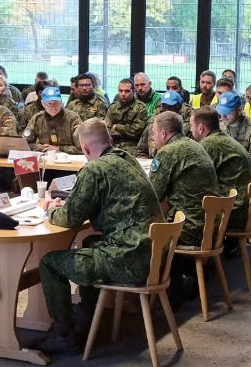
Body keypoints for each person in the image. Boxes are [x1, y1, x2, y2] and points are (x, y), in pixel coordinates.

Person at [36, 119, 163, 353]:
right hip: (153, 254)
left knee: (50, 263)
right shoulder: (127, 158)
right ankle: (87, 322)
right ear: (110, 141)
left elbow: (70, 218)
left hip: (129, 259)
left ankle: (65, 335)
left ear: (84, 149)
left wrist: (50, 208)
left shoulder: (94, 168)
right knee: (89, 242)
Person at [148, 111, 219, 250]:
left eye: (154, 132)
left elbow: (153, 196)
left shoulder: (167, 152)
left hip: (188, 230)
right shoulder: (195, 145)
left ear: (163, 134)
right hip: (210, 227)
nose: (152, 137)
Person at [192, 104, 251, 231]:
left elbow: (196, 180)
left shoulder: (208, 144)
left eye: (191, 126)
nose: (190, 130)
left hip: (234, 212)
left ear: (200, 128)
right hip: (247, 208)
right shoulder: (223, 137)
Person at [218, 92, 251, 168]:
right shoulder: (219, 127)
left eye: (228, 111)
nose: (223, 116)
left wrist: (228, 164)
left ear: (239, 109)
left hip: (249, 176)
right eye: (221, 111)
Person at [137, 89, 189, 157]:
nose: (167, 110)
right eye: (164, 106)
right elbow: (140, 151)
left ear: (178, 107)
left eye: (170, 107)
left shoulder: (186, 126)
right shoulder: (153, 126)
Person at [27, 86, 79, 152]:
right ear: (43, 104)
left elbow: (82, 147)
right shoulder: (37, 118)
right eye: (49, 104)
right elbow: (25, 143)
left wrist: (59, 148)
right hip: (44, 157)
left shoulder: (73, 118)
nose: (53, 107)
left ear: (61, 102)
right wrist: (41, 147)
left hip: (68, 158)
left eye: (56, 103)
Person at [107, 77, 149, 148]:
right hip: (113, 145)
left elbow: (136, 132)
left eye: (127, 91)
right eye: (120, 91)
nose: (123, 94)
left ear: (134, 91)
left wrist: (117, 127)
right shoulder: (112, 107)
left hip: (132, 146)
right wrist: (126, 131)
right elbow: (107, 130)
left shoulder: (141, 108)